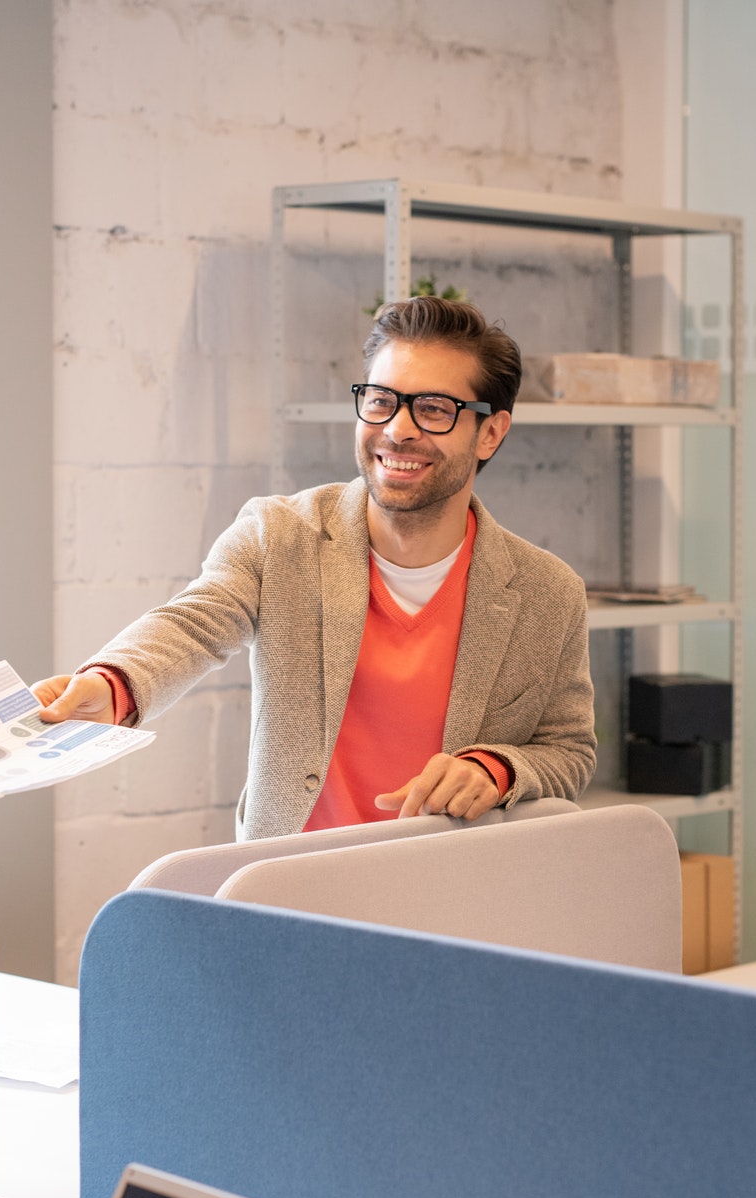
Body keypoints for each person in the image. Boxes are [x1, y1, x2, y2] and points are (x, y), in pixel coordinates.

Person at [32, 296, 595, 837]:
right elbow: (193, 623)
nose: (398, 429)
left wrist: (496, 770)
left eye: (433, 409)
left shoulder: (549, 592)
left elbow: (568, 751)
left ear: (490, 433)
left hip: (450, 889)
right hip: (291, 884)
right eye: (380, 400)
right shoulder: (278, 535)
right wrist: (115, 684)